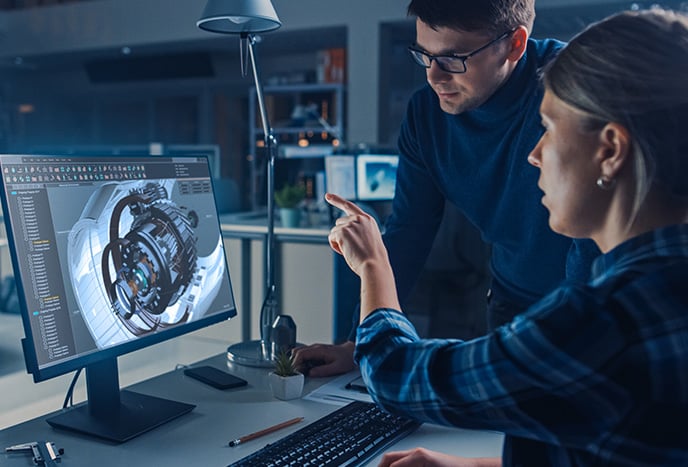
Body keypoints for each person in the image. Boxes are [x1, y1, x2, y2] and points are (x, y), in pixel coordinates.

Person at [325, 8, 688, 465]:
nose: (534, 155)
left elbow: (399, 378)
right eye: (424, 56)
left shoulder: (600, 323)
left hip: (573, 308)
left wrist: (372, 265)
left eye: (550, 129)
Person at [294, 0, 599, 377]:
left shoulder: (576, 92)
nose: (434, 77)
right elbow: (410, 230)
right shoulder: (426, 116)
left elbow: (591, 240)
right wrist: (356, 343)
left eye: (454, 58)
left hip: (590, 305)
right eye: (425, 55)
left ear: (515, 44)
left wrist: (576, 341)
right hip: (512, 302)